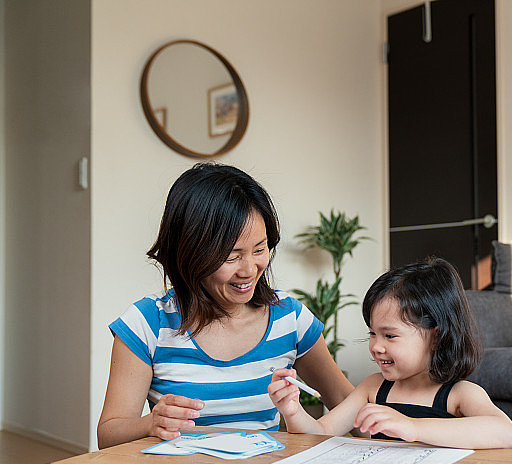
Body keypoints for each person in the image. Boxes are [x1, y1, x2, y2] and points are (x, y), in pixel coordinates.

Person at [97, 163, 354, 449]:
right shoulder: (147, 323)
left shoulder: (289, 318)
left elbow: (347, 403)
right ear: (191, 253)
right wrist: (150, 423)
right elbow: (108, 435)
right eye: (231, 257)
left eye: (260, 249)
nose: (249, 270)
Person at [269, 257, 512, 449]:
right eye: (372, 333)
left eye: (390, 335)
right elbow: (321, 432)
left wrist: (413, 427)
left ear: (436, 336)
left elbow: (506, 433)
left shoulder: (459, 395)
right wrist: (293, 411)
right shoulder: (372, 389)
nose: (376, 346)